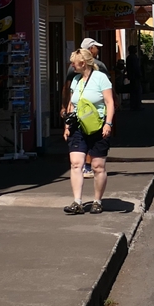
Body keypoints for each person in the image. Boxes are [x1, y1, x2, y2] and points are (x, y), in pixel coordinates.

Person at [62, 50, 115, 214]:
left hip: (98, 126)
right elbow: (72, 104)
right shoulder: (76, 80)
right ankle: (77, 202)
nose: (71, 65)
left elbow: (109, 102)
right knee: (76, 163)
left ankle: (97, 201)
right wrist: (67, 125)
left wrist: (108, 124)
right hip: (78, 126)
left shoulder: (101, 78)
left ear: (83, 63)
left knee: (98, 166)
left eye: (74, 62)